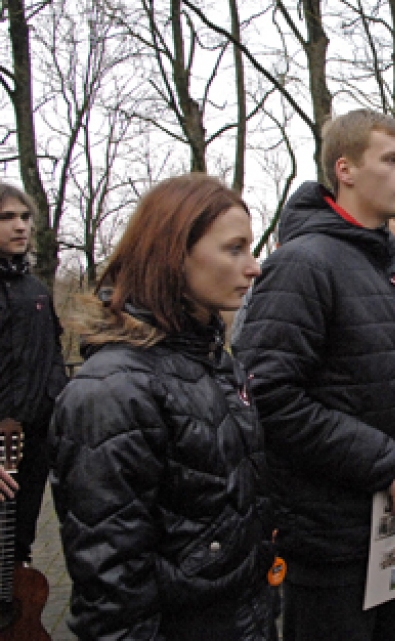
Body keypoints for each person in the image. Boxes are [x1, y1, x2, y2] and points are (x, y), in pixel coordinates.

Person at [235, 108, 395, 641]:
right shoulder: (302, 264)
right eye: (392, 159)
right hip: (330, 539)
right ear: (346, 170)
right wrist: (382, 462)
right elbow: (267, 396)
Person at [49, 174, 276, 640]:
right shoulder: (111, 392)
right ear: (174, 254)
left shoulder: (217, 364)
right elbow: (112, 592)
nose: (253, 267)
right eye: (234, 249)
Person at [0, 183, 68, 571]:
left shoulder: (35, 289)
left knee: (18, 546)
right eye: (7, 217)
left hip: (31, 443)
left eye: (25, 217)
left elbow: (51, 356)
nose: (20, 226)